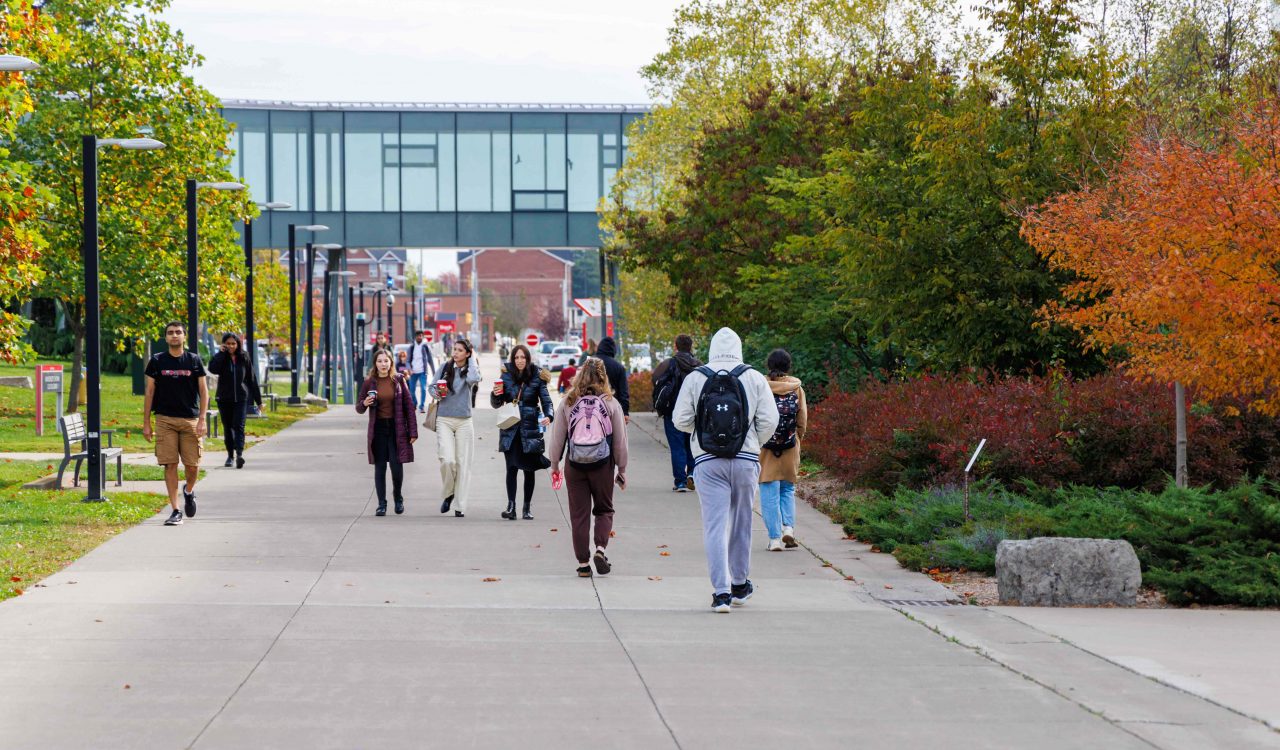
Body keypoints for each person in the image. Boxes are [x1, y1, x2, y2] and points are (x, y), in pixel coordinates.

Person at [672, 327, 779, 613]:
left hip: (707, 462)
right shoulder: (754, 377)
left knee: (714, 525)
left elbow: (680, 419)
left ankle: (720, 593)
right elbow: (770, 420)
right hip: (745, 459)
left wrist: (701, 434)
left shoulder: (697, 377)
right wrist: (754, 441)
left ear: (712, 349)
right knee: (742, 521)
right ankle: (740, 585)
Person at [549, 358, 628, 577]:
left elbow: (557, 437)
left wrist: (554, 464)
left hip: (575, 465)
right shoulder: (611, 403)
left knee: (579, 515)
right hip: (603, 465)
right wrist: (621, 469)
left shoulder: (568, 400)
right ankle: (600, 549)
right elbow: (620, 441)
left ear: (580, 375)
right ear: (604, 376)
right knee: (604, 509)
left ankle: (583, 564)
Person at [142, 321, 210, 526]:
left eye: (178, 332)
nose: (174, 335)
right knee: (170, 464)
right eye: (170, 333)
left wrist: (202, 419)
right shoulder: (156, 361)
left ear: (184, 337)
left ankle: (188, 491)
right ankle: (175, 510)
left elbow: (204, 391)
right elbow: (149, 392)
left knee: (192, 465)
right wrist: (146, 422)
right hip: (165, 419)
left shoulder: (194, 360)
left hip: (190, 419)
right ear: (165, 337)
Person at [490, 345, 553, 520]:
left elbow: (546, 400)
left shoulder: (537, 376)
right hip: (510, 428)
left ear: (528, 359)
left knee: (529, 469)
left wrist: (549, 415)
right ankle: (511, 507)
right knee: (511, 468)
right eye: (516, 357)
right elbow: (497, 403)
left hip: (530, 427)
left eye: (523, 357)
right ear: (512, 359)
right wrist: (495, 395)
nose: (519, 361)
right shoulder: (505, 376)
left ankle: (526, 508)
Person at [355, 349, 417, 516]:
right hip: (378, 429)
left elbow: (409, 407)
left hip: (397, 428)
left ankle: (398, 497)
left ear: (391, 362)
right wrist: (365, 403)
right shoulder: (369, 382)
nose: (383, 364)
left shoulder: (398, 380)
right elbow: (359, 407)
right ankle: (381, 503)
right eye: (380, 361)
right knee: (380, 467)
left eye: (386, 361)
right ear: (375, 364)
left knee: (397, 467)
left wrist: (413, 431)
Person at [759, 349, 808, 551]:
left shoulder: (761, 386)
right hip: (789, 445)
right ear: (789, 366)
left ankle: (774, 539)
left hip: (765, 446)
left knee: (768, 490)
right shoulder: (796, 388)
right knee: (787, 489)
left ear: (768, 365)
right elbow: (802, 419)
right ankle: (788, 528)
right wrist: (796, 439)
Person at [433, 338, 480, 517]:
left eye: (461, 350)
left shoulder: (470, 370)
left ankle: (459, 506)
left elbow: (475, 379)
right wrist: (437, 392)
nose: (456, 352)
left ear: (467, 353)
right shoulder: (445, 368)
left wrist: (473, 358)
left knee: (463, 464)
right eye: (455, 349)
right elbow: (432, 387)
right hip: (444, 419)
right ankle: (449, 493)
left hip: (464, 421)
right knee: (447, 460)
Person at [651, 334, 701, 492]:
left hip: (672, 411)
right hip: (694, 412)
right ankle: (692, 474)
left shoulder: (667, 364)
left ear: (676, 346)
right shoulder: (699, 365)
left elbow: (655, 380)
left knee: (677, 446)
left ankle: (680, 482)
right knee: (692, 445)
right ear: (691, 346)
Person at [207, 332, 262, 469]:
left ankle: (239, 455)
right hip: (224, 399)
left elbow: (252, 379)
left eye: (233, 343)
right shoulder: (221, 358)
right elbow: (212, 369)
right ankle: (230, 456)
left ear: (238, 344)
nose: (231, 346)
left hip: (241, 399)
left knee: (239, 426)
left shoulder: (244, 357)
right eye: (228, 343)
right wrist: (220, 354)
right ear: (224, 344)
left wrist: (258, 401)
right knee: (228, 428)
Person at [593, 336, 630, 419]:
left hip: (591, 407)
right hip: (612, 408)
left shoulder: (589, 363)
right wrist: (625, 412)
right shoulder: (619, 367)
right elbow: (623, 392)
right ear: (613, 350)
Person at [407, 330, 435, 412]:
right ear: (415, 337)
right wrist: (409, 369)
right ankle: (414, 403)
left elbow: (430, 360)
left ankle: (422, 406)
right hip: (413, 372)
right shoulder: (411, 347)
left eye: (421, 336)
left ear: (423, 337)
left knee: (423, 389)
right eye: (418, 336)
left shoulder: (425, 347)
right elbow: (407, 361)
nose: (419, 337)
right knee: (412, 391)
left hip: (423, 372)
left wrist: (434, 372)